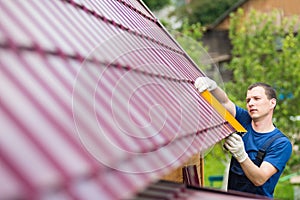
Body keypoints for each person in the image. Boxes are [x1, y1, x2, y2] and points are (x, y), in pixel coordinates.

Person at [194, 77, 292, 198]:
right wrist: (213, 87)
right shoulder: (244, 120)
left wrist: (241, 155)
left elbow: (260, 179)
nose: (251, 103)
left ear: (272, 103)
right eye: (248, 100)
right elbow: (224, 102)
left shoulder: (281, 143)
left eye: (256, 99)